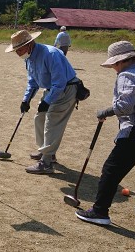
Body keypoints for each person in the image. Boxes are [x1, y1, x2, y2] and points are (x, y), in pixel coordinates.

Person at [76, 41, 135, 226]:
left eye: (113, 64)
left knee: (111, 170)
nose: (113, 68)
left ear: (120, 62)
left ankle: (99, 211)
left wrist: (107, 111)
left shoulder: (126, 75)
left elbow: (125, 106)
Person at [5, 30, 80, 174]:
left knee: (52, 123)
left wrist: (47, 101)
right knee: (40, 118)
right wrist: (26, 100)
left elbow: (60, 83)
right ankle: (47, 152)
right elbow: (33, 82)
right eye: (15, 50)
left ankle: (46, 163)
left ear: (29, 44)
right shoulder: (29, 58)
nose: (17, 53)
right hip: (52, 90)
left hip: (66, 89)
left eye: (19, 49)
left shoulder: (51, 54)